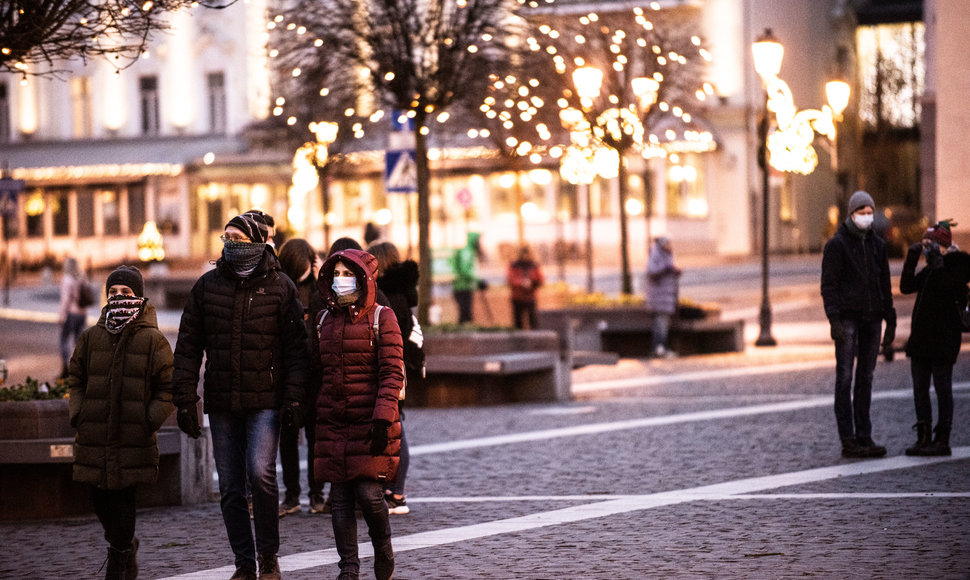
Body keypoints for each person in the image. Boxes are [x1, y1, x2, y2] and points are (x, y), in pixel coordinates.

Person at [172, 212, 309, 580]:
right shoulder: (207, 287)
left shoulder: (280, 287)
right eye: (226, 237)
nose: (229, 243)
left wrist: (295, 399)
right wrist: (185, 398)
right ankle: (244, 563)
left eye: (237, 237)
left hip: (265, 400)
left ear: (256, 242)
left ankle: (268, 556)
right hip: (222, 402)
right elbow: (188, 347)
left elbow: (298, 350)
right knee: (231, 486)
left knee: (261, 473)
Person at [66, 265, 175, 580]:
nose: (118, 298)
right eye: (112, 293)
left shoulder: (153, 340)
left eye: (125, 294)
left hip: (132, 436)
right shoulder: (91, 337)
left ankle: (119, 557)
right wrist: (79, 412)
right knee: (99, 496)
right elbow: (76, 378)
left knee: (124, 498)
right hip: (94, 433)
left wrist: (148, 420)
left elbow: (167, 387)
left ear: (138, 297)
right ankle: (124, 545)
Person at [313, 248, 403, 580]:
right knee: (340, 497)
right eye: (334, 274)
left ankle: (382, 545)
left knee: (368, 493)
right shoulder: (324, 320)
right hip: (335, 419)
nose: (340, 280)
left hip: (370, 419)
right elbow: (318, 372)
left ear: (363, 278)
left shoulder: (383, 317)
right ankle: (348, 567)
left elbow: (392, 372)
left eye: (346, 274)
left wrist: (382, 418)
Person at [821, 190, 896, 459]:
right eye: (862, 212)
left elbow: (885, 283)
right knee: (845, 378)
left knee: (866, 378)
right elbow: (828, 286)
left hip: (872, 317)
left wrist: (890, 318)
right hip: (848, 317)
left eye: (869, 212)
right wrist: (834, 319)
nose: (867, 217)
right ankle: (848, 438)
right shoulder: (837, 245)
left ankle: (864, 435)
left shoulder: (877, 245)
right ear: (851, 214)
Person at [899, 221, 970, 456]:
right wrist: (911, 258)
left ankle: (942, 438)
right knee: (920, 390)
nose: (927, 249)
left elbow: (952, 290)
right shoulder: (929, 269)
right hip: (920, 341)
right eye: (925, 244)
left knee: (942, 389)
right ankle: (923, 436)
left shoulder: (958, 264)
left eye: (931, 245)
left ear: (943, 246)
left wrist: (939, 266)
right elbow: (907, 287)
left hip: (943, 341)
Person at [368, 241, 424, 515]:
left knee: (396, 429)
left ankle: (397, 493)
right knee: (394, 428)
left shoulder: (391, 297)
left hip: (391, 372)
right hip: (399, 372)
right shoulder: (401, 294)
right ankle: (393, 490)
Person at [276, 238, 328, 516]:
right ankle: (293, 494)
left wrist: (321, 281)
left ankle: (316, 494)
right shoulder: (283, 286)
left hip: (316, 375)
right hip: (290, 374)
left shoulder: (319, 289)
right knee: (289, 435)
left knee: (315, 437)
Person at [645, 237, 682, 358]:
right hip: (659, 298)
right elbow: (651, 271)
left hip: (665, 297)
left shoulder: (667, 256)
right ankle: (660, 348)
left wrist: (675, 271)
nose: (669, 245)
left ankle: (659, 348)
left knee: (662, 323)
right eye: (666, 243)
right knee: (660, 324)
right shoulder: (656, 255)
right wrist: (666, 269)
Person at [59, 256, 89, 377]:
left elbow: (66, 300)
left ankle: (65, 368)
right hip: (82, 314)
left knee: (64, 340)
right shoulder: (82, 278)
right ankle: (80, 368)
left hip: (71, 314)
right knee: (78, 341)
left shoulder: (67, 279)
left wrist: (62, 315)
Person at [506, 244, 544, 330]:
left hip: (530, 297)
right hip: (517, 297)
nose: (525, 256)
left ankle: (534, 340)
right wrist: (521, 283)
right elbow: (510, 280)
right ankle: (519, 341)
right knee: (518, 323)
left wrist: (532, 283)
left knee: (533, 322)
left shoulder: (534, 265)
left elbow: (540, 279)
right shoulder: (514, 266)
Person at [451, 232, 482, 324]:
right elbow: (465, 270)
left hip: (463, 286)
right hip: (462, 287)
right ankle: (463, 333)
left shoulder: (468, 251)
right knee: (465, 314)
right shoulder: (467, 252)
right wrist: (477, 281)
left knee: (465, 313)